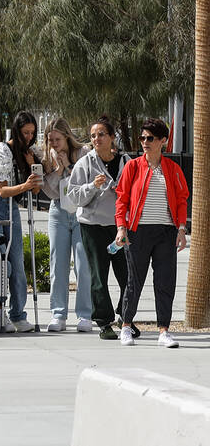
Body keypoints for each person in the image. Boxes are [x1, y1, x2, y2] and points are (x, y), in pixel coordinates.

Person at [115, 117, 188, 349]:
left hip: (166, 232)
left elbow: (182, 200)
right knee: (134, 281)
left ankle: (164, 331)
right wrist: (121, 227)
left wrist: (181, 229)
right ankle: (126, 326)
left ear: (163, 141)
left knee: (165, 281)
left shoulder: (173, 169)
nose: (145, 142)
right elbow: (122, 199)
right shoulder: (133, 167)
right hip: (138, 232)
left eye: (150, 138)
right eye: (142, 137)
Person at [0, 112, 44, 333]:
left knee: (16, 262)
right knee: (1, 262)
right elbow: (2, 190)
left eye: (32, 133)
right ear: (16, 130)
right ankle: (0, 314)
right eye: (25, 132)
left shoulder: (29, 153)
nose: (29, 137)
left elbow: (36, 189)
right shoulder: (2, 150)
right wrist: (25, 186)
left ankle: (18, 314)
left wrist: (32, 164)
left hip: (12, 207)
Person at [66, 115, 130, 341]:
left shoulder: (125, 161)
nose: (96, 139)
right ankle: (104, 322)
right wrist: (93, 186)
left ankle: (126, 317)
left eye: (101, 134)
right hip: (93, 227)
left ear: (112, 137)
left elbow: (134, 190)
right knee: (98, 276)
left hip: (120, 227)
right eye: (93, 135)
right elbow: (73, 196)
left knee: (128, 274)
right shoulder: (85, 163)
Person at [40, 118, 94, 333]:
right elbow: (49, 190)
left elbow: (85, 183)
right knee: (58, 264)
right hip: (58, 211)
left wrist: (69, 168)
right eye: (50, 139)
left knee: (83, 266)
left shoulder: (84, 153)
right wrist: (57, 170)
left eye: (57, 139)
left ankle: (84, 315)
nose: (53, 143)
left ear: (67, 137)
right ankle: (58, 314)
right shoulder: (46, 157)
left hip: (80, 212)